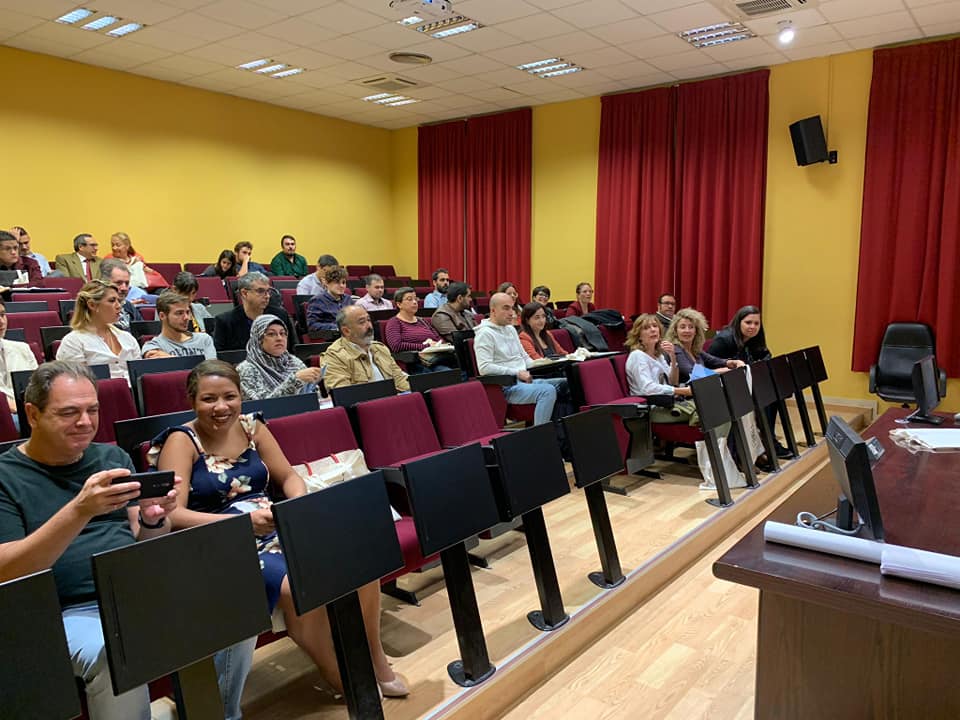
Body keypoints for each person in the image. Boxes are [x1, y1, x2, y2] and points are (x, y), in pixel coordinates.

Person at [149, 360, 408, 698]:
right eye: (209, 399)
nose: (221, 407)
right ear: (192, 401)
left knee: (359, 559)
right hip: (220, 537)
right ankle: (338, 673)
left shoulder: (252, 426)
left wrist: (295, 507)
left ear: (241, 396)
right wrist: (243, 524)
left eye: (229, 396)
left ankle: (374, 656)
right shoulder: (181, 441)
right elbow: (175, 515)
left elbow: (288, 476)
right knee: (292, 585)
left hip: (273, 520)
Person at [0, 361, 196, 720]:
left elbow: (142, 538)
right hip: (60, 610)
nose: (85, 422)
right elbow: (8, 571)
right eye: (68, 412)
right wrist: (79, 510)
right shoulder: (5, 477)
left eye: (92, 410)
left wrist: (153, 520)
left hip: (130, 592)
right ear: (32, 414)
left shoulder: (111, 457)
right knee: (114, 652)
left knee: (221, 600)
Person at [709, 305, 791, 459]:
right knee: (765, 398)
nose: (752, 327)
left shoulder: (755, 340)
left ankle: (768, 440)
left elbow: (766, 358)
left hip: (745, 384)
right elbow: (708, 367)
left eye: (756, 323)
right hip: (723, 386)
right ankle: (766, 443)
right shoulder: (724, 340)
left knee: (774, 395)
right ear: (738, 322)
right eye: (748, 322)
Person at [474, 293, 564, 426]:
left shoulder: (510, 329)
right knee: (547, 391)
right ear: (493, 311)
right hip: (506, 387)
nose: (511, 313)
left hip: (524, 381)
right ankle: (541, 434)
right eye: (506, 308)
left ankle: (562, 430)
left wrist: (545, 362)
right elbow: (484, 368)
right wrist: (517, 372)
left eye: (512, 308)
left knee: (567, 383)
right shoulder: (484, 334)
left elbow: (525, 358)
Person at [56, 280, 142, 382]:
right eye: (112, 301)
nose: (119, 306)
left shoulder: (127, 338)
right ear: (92, 305)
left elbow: (139, 376)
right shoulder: (73, 341)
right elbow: (77, 383)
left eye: (119, 301)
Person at [624, 314, 692, 423]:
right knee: (705, 410)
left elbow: (673, 381)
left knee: (707, 405)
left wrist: (673, 357)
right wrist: (681, 391)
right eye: (646, 328)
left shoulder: (658, 355)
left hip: (669, 403)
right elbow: (647, 388)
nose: (653, 330)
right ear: (638, 336)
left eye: (655, 326)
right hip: (651, 408)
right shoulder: (637, 356)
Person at [324, 305, 410, 392]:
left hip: (394, 398)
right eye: (362, 322)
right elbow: (343, 394)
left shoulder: (380, 348)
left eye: (368, 320)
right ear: (346, 331)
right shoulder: (334, 356)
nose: (369, 326)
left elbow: (401, 381)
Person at [236, 315, 321, 399]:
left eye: (282, 333)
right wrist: (295, 381)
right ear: (258, 339)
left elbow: (315, 396)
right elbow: (262, 405)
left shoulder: (294, 362)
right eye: (271, 334)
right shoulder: (246, 369)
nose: (279, 338)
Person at [213, 272, 294, 352]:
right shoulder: (225, 321)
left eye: (268, 291)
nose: (267, 296)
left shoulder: (280, 315)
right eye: (260, 291)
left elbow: (292, 349)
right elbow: (221, 356)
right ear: (244, 293)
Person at [384, 287, 455, 374]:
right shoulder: (394, 322)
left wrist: (440, 344)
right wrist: (425, 346)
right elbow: (396, 346)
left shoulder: (422, 320)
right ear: (399, 304)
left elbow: (438, 338)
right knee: (450, 373)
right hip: (416, 363)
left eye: (415, 299)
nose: (414, 302)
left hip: (437, 358)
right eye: (409, 299)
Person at [664, 307, 743, 383]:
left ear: (696, 331)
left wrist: (731, 362)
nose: (687, 330)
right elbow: (693, 372)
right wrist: (726, 370)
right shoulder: (675, 349)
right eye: (682, 327)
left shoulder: (695, 349)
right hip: (684, 391)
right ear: (675, 331)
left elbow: (713, 360)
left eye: (691, 327)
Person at [141, 291, 217, 360]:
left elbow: (212, 369)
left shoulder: (204, 339)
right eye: (179, 313)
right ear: (162, 316)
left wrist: (171, 359)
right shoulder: (153, 346)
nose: (186, 318)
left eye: (187, 312)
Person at [0, 297, 38, 423]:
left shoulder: (22, 348)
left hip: (29, 409)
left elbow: (39, 386)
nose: (1, 322)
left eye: (2, 315)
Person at [99, 259, 144, 333]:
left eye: (127, 283)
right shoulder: (95, 309)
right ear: (104, 282)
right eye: (118, 283)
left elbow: (142, 334)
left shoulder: (128, 306)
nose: (124, 288)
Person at [306, 266, 353, 333]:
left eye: (343, 282)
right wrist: (336, 327)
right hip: (331, 336)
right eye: (337, 282)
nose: (342, 286)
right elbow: (312, 325)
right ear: (327, 283)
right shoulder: (317, 300)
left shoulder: (348, 299)